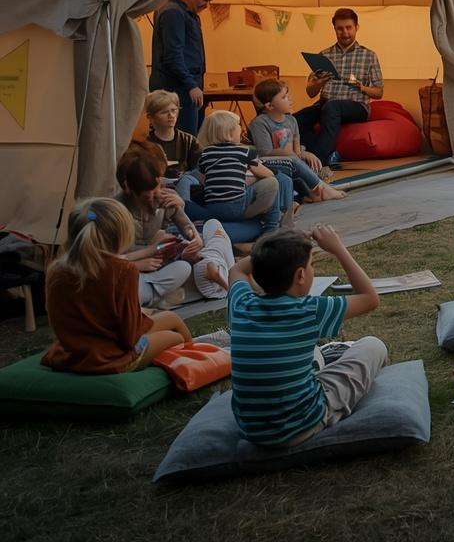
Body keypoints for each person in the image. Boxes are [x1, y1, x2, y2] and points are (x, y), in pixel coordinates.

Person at [227, 224, 387, 447]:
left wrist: (278, 249)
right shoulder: (309, 311)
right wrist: (338, 248)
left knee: (309, 350)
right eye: (311, 265)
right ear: (300, 275)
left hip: (252, 430)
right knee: (373, 345)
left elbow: (236, 270)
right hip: (301, 424)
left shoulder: (241, 305)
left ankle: (320, 360)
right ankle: (330, 360)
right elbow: (370, 298)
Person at [42, 198, 193, 374]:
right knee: (175, 337)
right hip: (109, 359)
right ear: (120, 235)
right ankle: (198, 365)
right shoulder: (122, 270)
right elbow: (130, 336)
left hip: (69, 354)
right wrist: (141, 317)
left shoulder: (56, 270)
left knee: (172, 318)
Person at [295, 7, 384, 167]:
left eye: (349, 27)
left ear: (356, 27)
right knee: (295, 119)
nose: (345, 32)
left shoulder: (369, 56)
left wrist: (361, 87)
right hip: (325, 103)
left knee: (332, 107)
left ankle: (319, 162)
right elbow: (310, 92)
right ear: (335, 29)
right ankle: (319, 153)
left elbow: (379, 92)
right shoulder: (324, 55)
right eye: (340, 29)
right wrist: (320, 83)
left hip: (357, 106)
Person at [115, 141, 200, 307]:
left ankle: (150, 297)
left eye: (158, 188)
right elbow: (109, 259)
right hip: (127, 269)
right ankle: (156, 297)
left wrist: (194, 237)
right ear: (130, 190)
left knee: (184, 267)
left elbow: (187, 227)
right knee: (127, 288)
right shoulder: (117, 209)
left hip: (157, 267)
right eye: (148, 196)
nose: (155, 196)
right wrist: (137, 265)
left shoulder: (165, 198)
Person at [250, 79, 345, 203]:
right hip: (266, 162)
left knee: (299, 161)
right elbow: (264, 152)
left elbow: (296, 148)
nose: (290, 99)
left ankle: (310, 193)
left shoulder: (291, 120)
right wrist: (286, 153)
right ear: (270, 106)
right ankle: (321, 187)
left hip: (289, 159)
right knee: (292, 160)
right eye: (284, 97)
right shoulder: (259, 123)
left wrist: (304, 153)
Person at [149, 0, 217, 136]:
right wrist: (190, 84)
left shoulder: (189, 14)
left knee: (190, 137)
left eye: (210, 1)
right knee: (182, 136)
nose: (206, 5)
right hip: (177, 86)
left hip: (187, 83)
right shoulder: (173, 12)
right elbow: (173, 55)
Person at [196, 111, 284, 233]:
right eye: (238, 126)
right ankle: (272, 226)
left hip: (213, 209)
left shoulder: (205, 153)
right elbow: (267, 174)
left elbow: (203, 179)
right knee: (272, 183)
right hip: (236, 208)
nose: (242, 130)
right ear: (229, 132)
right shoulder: (244, 151)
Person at [143, 90, 199, 181]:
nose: (171, 115)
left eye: (174, 110)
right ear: (150, 117)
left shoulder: (190, 141)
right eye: (164, 112)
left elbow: (199, 171)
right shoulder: (144, 144)